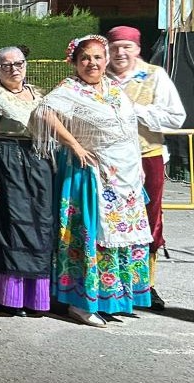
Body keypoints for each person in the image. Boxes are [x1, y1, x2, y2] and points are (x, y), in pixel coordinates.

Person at [32, 35, 152, 327]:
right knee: (89, 235)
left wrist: (137, 165)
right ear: (74, 62)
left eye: (98, 57)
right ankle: (80, 303)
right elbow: (43, 112)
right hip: (90, 173)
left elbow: (128, 128)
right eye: (85, 57)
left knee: (122, 237)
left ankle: (113, 298)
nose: (92, 63)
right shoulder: (69, 89)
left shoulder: (113, 88)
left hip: (124, 175)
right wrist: (73, 144)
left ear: (106, 60)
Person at [0, 46, 53, 317]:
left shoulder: (38, 94)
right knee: (13, 226)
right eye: (6, 65)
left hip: (38, 164)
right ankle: (11, 296)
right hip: (7, 162)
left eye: (19, 63)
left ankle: (36, 297)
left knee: (41, 226)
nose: (14, 69)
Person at [106, 26, 187, 311]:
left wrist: (133, 109)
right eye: (115, 47)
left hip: (146, 155)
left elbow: (176, 117)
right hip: (109, 159)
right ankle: (112, 281)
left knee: (149, 220)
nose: (120, 53)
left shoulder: (154, 76)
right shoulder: (100, 76)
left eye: (126, 47)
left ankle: (146, 284)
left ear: (137, 49)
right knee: (112, 221)